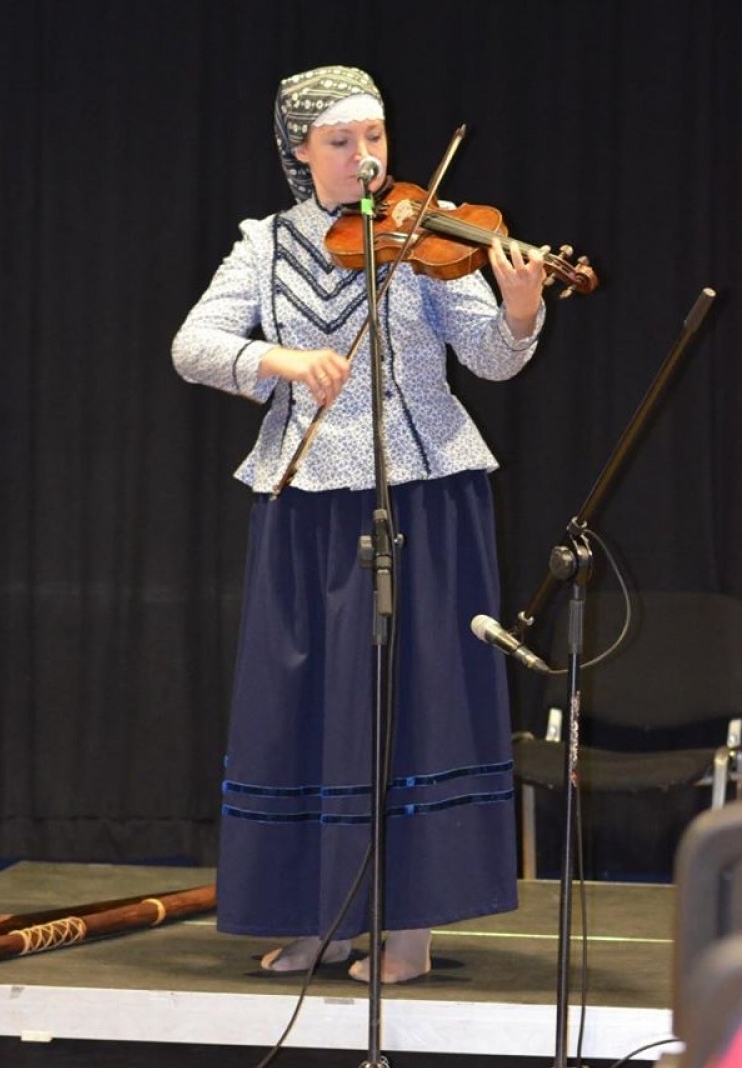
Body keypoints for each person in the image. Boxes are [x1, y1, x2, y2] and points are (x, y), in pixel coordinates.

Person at [171, 65, 547, 984]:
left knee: (415, 699)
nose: (366, 157)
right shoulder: (263, 247)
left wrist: (524, 307)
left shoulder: (428, 231)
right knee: (310, 705)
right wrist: (282, 360)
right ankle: (323, 917)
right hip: (304, 502)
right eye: (341, 142)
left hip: (421, 491)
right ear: (299, 151)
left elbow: (491, 362)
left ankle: (410, 929)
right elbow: (193, 346)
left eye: (374, 136)